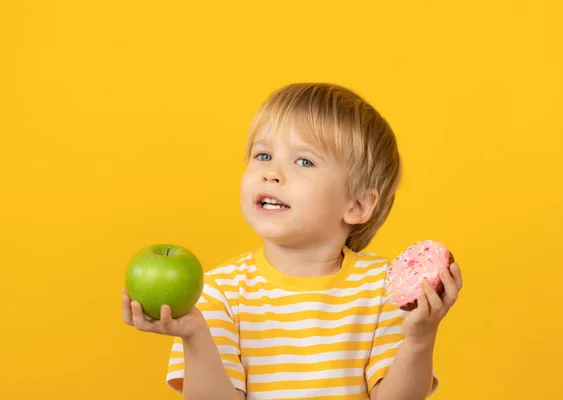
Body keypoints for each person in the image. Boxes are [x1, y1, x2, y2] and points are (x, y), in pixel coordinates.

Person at [122, 82, 463, 400]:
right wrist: (195, 335)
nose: (271, 172)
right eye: (263, 156)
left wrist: (419, 340)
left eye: (304, 161)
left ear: (357, 205)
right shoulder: (218, 292)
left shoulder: (380, 289)